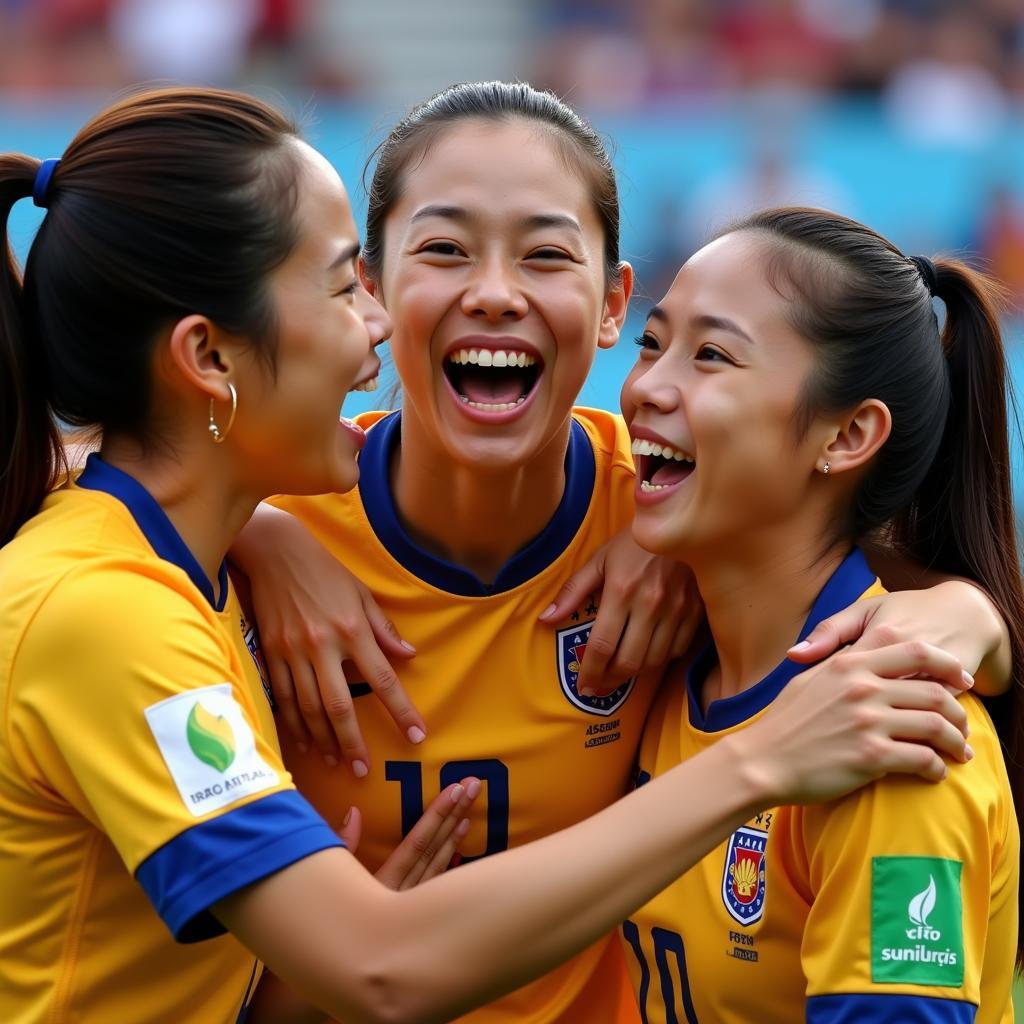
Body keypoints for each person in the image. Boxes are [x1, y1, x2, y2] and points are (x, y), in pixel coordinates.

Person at [0, 86, 977, 1024]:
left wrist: (963, 622)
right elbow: (376, 961)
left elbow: (840, 548)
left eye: (547, 254)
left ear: (609, 303)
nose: (487, 296)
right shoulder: (141, 596)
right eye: (354, 283)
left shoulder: (679, 506)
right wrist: (267, 533)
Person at [619, 208, 1023, 1023]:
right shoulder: (663, 661)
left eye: (711, 356)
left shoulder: (901, 743)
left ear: (846, 435)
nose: (646, 388)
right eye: (652, 343)